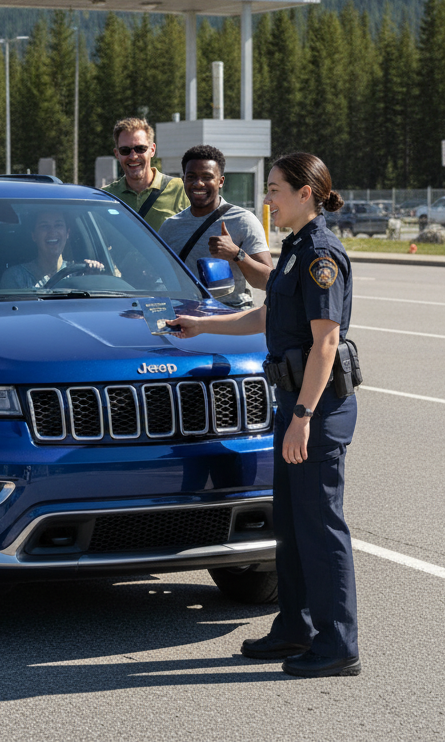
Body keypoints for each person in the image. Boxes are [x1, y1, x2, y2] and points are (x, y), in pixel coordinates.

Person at [167, 152, 360, 678]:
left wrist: (301, 416)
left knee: (321, 529)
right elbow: (267, 315)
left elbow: (325, 344)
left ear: (306, 193)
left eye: (275, 189)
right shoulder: (296, 247)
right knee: (294, 530)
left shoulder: (321, 253)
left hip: (315, 411)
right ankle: (296, 628)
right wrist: (202, 326)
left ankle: (338, 644)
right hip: (293, 405)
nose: (267, 199)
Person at [158, 144, 271, 308]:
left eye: (206, 177)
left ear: (221, 181)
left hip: (230, 322)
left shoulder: (242, 221)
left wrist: (236, 254)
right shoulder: (170, 226)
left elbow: (268, 281)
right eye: (191, 177)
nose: (198, 183)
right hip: (185, 319)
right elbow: (158, 277)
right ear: (184, 180)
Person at [102, 117, 188, 232]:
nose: (133, 156)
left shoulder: (181, 190)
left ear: (152, 150)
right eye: (125, 150)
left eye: (140, 148)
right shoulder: (105, 196)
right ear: (117, 154)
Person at [0, 209, 103, 289]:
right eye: (44, 226)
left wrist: (93, 278)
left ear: (67, 233)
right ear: (34, 236)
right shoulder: (16, 277)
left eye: (58, 225)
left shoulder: (80, 274)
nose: (52, 232)